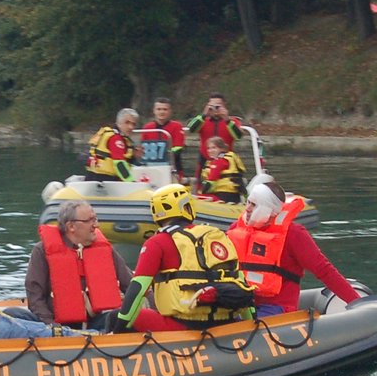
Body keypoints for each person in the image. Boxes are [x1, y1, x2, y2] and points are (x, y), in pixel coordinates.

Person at [114, 184, 256, 332]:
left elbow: (137, 289)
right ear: (187, 207)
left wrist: (118, 331)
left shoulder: (157, 243)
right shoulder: (217, 236)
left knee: (114, 317)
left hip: (182, 327)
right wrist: (252, 325)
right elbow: (241, 283)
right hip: (227, 323)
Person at [226, 178, 361, 317]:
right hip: (241, 303)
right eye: (248, 202)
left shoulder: (294, 235)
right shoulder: (235, 229)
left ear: (270, 210)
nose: (247, 208)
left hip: (276, 308)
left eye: (254, 205)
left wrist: (356, 302)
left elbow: (324, 270)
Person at [25, 201, 132, 329]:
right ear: (71, 226)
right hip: (52, 323)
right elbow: (35, 295)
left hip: (94, 322)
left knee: (120, 316)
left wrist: (155, 314)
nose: (96, 225)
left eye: (95, 219)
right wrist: (53, 328)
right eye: (90, 221)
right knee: (12, 313)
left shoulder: (105, 249)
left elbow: (131, 284)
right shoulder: (42, 251)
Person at [184, 93, 245, 179]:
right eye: (212, 106)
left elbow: (238, 136)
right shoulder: (203, 120)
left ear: (224, 106)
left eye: (218, 106)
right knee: (201, 187)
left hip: (226, 161)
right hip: (205, 160)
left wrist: (227, 120)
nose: (215, 109)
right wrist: (204, 115)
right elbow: (191, 129)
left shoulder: (232, 121)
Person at [140, 97, 188, 183]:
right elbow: (143, 150)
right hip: (151, 168)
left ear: (170, 111)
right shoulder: (147, 128)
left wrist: (165, 155)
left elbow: (178, 148)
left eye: (165, 109)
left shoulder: (177, 126)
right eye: (159, 109)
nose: (162, 112)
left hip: (173, 167)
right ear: (154, 111)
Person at [85, 108, 139, 182]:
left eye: (133, 124)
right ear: (119, 123)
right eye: (127, 122)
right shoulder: (116, 139)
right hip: (104, 180)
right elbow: (119, 164)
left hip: (94, 177)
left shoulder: (117, 136)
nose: (131, 127)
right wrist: (131, 182)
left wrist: (133, 157)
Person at [198, 135, 247, 203]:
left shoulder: (220, 161)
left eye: (214, 148)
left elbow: (211, 182)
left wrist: (201, 193)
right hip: (234, 195)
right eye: (208, 148)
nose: (210, 150)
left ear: (222, 149)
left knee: (200, 198)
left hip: (224, 195)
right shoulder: (227, 157)